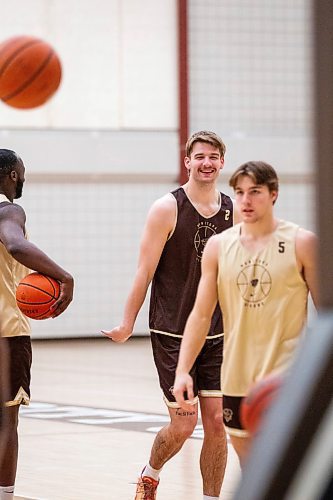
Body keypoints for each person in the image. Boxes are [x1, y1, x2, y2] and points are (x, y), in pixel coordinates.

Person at [102, 131, 238, 499]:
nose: (207, 162)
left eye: (213, 156)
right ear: (188, 162)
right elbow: (144, 271)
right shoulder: (167, 207)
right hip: (173, 331)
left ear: (222, 163)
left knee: (215, 423)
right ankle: (151, 473)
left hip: (219, 331)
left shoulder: (234, 211)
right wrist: (127, 323)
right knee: (183, 424)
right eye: (200, 156)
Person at [173, 160, 318, 467]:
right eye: (239, 192)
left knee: (287, 464)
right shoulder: (218, 247)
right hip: (236, 376)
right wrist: (183, 370)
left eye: (255, 192)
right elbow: (201, 315)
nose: (246, 200)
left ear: (274, 194)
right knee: (251, 467)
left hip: (286, 376)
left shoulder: (301, 243)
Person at [0, 149, 74, 500]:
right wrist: (63, 276)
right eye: (23, 172)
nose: (24, 178)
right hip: (5, 333)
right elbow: (16, 245)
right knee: (6, 422)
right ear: (12, 174)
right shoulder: (9, 209)